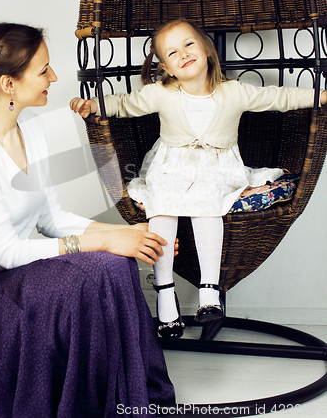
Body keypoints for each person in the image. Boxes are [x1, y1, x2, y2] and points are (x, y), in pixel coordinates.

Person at [0, 22, 176, 417]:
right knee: (92, 267)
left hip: (11, 279)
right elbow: (7, 252)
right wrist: (104, 240)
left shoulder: (34, 130)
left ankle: (128, 398)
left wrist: (127, 235)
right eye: (43, 70)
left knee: (115, 263)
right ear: (8, 83)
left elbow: (51, 216)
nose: (53, 78)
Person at [70, 18, 327, 339]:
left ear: (206, 48)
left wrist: (320, 97)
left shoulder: (234, 92)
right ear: (166, 67)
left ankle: (209, 290)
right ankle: (165, 291)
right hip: (170, 167)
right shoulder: (162, 93)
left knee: (208, 202)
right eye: (172, 52)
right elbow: (125, 104)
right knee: (161, 203)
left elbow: (278, 97)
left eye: (189, 44)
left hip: (218, 170)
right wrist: (93, 104)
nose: (183, 54)